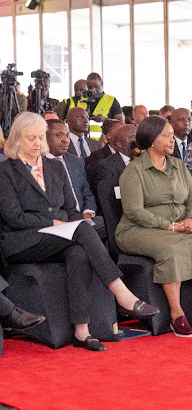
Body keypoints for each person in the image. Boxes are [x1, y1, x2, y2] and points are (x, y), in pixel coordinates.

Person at [0, 112, 159, 351]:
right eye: (30, 138)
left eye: (39, 137)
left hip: (58, 237)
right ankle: (122, 293)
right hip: (21, 242)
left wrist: (66, 223)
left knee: (79, 251)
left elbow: (71, 211)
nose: (36, 143)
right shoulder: (6, 171)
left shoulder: (55, 167)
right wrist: (55, 223)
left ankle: (82, 331)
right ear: (16, 139)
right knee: (82, 232)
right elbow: (14, 217)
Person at [116, 116, 192, 337]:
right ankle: (176, 314)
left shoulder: (178, 166)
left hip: (179, 226)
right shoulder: (134, 172)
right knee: (171, 249)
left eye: (172, 135)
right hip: (137, 230)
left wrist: (190, 220)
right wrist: (170, 226)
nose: (173, 140)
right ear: (151, 140)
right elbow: (135, 212)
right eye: (167, 136)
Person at [45, 119, 106, 239]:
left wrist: (88, 214)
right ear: (45, 138)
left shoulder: (76, 161)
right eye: (59, 135)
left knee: (106, 223)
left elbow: (86, 193)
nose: (65, 140)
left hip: (82, 218)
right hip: (59, 221)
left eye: (67, 135)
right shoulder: (40, 164)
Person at [87, 123, 137, 197]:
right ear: (120, 144)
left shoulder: (144, 161)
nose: (137, 142)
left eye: (138, 137)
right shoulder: (105, 167)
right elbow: (108, 200)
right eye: (133, 138)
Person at [83, 73, 125, 138]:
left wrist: (105, 120)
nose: (93, 90)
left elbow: (121, 124)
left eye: (96, 87)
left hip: (103, 142)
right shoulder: (81, 101)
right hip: (83, 143)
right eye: (90, 87)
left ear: (101, 84)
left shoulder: (111, 100)